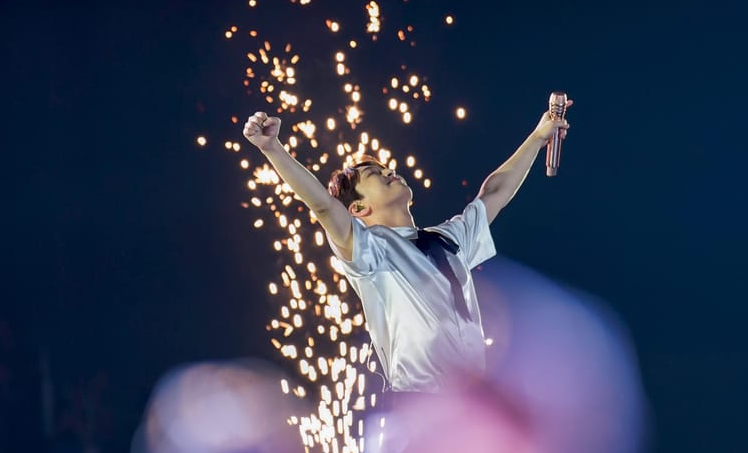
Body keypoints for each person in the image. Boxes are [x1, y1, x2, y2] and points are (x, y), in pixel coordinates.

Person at [242, 101, 571, 393]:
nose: (389, 171)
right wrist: (272, 148)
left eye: (386, 168)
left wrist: (538, 136)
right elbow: (325, 207)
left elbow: (493, 193)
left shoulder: (448, 239)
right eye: (374, 174)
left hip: (468, 405)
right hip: (418, 402)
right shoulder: (369, 250)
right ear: (357, 209)